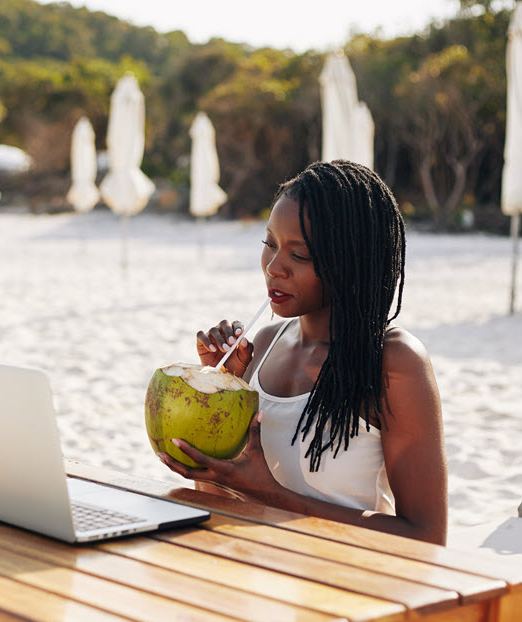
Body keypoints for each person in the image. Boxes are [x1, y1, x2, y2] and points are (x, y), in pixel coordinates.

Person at [157, 159, 448, 545]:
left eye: (300, 255)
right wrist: (217, 395)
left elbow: (426, 538)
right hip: (250, 581)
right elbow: (221, 500)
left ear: (351, 260)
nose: (274, 267)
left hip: (342, 589)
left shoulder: (394, 363)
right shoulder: (260, 348)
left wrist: (272, 496)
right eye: (270, 244)